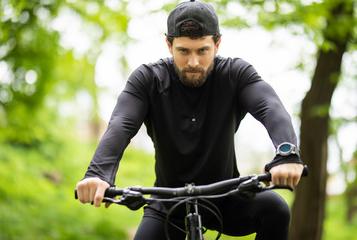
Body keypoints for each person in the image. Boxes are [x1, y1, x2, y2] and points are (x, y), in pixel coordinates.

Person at [76, 1, 304, 239]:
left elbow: (269, 107)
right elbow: (121, 125)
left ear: (217, 44)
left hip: (226, 199)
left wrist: (287, 155)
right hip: (167, 205)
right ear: (169, 44)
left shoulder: (235, 73)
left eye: (202, 51)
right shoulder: (147, 79)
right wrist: (98, 174)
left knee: (276, 209)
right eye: (183, 51)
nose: (193, 62)